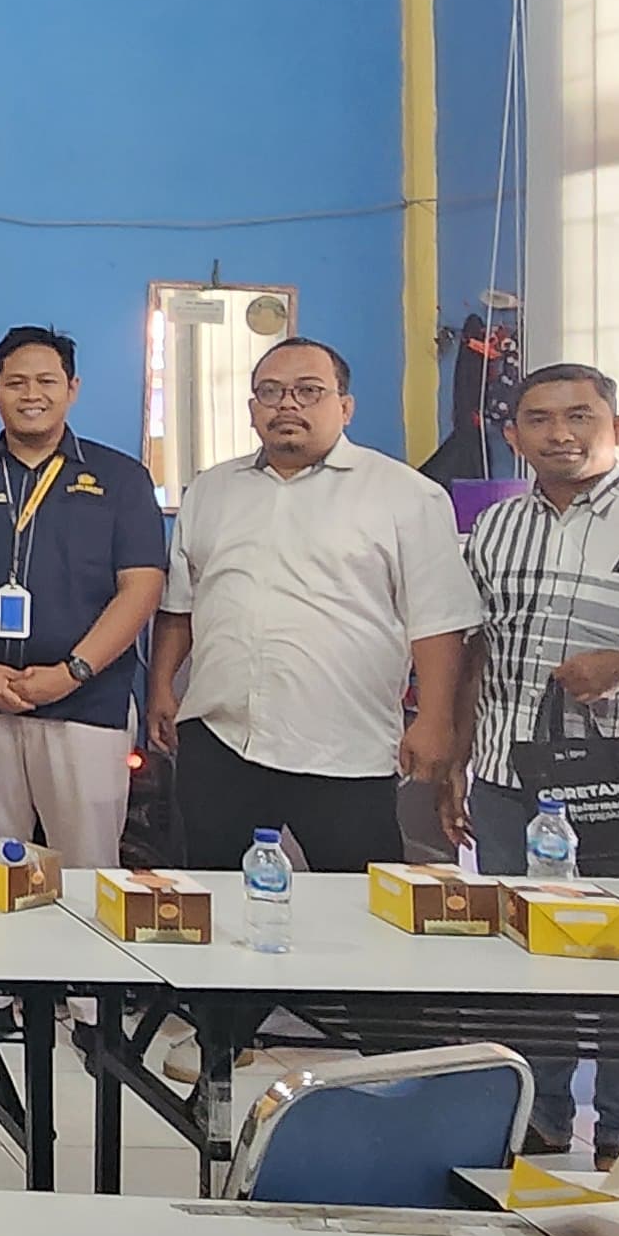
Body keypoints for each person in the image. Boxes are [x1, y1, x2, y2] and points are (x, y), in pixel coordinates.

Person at [455, 363, 619, 1159]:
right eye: (539, 419)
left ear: (618, 428)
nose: (560, 434)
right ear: (514, 434)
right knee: (527, 956)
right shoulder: (494, 527)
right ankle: (539, 1115)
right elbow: (476, 649)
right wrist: (457, 760)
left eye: (580, 417)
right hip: (507, 779)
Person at [150, 338, 479, 875]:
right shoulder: (211, 490)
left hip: (342, 747)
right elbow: (181, 603)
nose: (287, 404)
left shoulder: (405, 495)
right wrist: (162, 684)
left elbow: (439, 618)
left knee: (359, 901)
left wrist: (436, 719)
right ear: (252, 408)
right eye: (271, 392)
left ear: (345, 407)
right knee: (217, 893)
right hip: (220, 737)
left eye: (308, 391)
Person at [0, 325, 166, 873]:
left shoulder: (120, 479)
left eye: (46, 381)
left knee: (87, 870)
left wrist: (72, 672)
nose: (31, 394)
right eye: (16, 383)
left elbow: (141, 587)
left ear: (72, 389)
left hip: (85, 707)